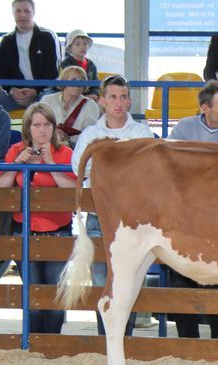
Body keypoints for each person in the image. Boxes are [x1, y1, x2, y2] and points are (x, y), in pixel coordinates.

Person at [71, 75, 156, 336]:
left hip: (135, 219)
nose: (118, 102)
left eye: (122, 97)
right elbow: (79, 168)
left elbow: (149, 172)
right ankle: (106, 339)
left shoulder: (141, 132)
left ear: (129, 100)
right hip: (101, 214)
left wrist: (105, 167)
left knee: (128, 280)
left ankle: (123, 339)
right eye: (112, 97)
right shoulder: (91, 133)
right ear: (102, 100)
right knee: (102, 280)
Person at [168, 81, 218, 340]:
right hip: (185, 219)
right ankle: (187, 342)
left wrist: (196, 164)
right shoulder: (183, 127)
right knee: (181, 278)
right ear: (205, 108)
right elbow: (173, 168)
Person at [0, 103, 77, 334]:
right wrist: (17, 164)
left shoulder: (65, 154)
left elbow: (73, 190)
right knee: (31, 296)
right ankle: (32, 345)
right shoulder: (16, 151)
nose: (42, 130)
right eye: (37, 125)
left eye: (47, 125)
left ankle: (53, 344)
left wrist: (52, 165)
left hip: (58, 231)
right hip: (24, 232)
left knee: (54, 295)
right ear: (28, 128)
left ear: (53, 127)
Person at [0, 0, 60, 110]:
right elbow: (3, 72)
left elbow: (53, 72)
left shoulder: (47, 37)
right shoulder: (7, 40)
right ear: (13, 13)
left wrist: (35, 90)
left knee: (50, 101)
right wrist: (12, 90)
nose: (22, 15)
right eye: (18, 11)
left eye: (27, 11)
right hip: (15, 95)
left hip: (42, 92)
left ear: (33, 12)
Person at [40, 66, 99, 147]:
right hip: (47, 144)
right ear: (63, 81)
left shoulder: (90, 105)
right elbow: (38, 125)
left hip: (76, 147)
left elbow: (90, 134)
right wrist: (54, 134)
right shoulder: (47, 100)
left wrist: (67, 139)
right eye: (73, 80)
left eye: (82, 81)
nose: (78, 84)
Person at [60, 29, 99, 101]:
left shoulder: (91, 65)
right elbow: (64, 85)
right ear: (70, 48)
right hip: (71, 97)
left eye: (85, 44)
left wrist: (94, 94)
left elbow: (95, 84)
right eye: (77, 44)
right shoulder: (66, 63)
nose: (82, 47)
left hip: (89, 97)